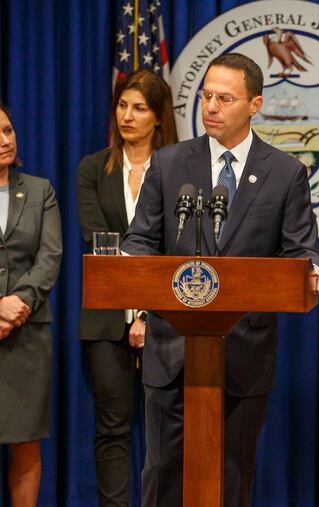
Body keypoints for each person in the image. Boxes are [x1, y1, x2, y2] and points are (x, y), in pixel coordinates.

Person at [120, 53, 319, 507]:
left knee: (232, 475)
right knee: (163, 472)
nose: (211, 106)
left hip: (242, 350)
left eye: (225, 98)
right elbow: (139, 242)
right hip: (171, 347)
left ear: (254, 104)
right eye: (206, 96)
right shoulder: (169, 163)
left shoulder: (285, 172)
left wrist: (313, 268)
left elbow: (301, 248)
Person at [76, 69, 177, 506]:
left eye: (139, 108)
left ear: (159, 116)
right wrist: (132, 309)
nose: (127, 116)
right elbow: (98, 243)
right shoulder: (93, 169)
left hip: (166, 320)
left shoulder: (179, 168)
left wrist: (147, 313)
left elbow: (175, 247)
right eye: (122, 105)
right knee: (112, 429)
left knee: (170, 430)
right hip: (106, 322)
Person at [0, 103, 62, 507]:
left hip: (26, 335)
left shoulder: (39, 190)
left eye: (7, 130)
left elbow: (50, 256)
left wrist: (16, 304)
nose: (4, 140)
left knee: (25, 445)